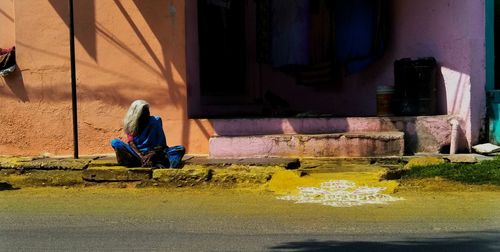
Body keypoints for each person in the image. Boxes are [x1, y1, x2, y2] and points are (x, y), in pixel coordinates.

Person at [111, 100, 185, 168]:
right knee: (115, 143)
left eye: (147, 111)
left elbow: (162, 144)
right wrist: (142, 157)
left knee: (180, 149)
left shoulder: (155, 121)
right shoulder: (130, 123)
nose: (147, 114)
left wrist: (152, 154)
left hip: (156, 154)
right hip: (138, 154)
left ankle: (166, 167)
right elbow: (131, 142)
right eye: (144, 112)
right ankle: (141, 162)